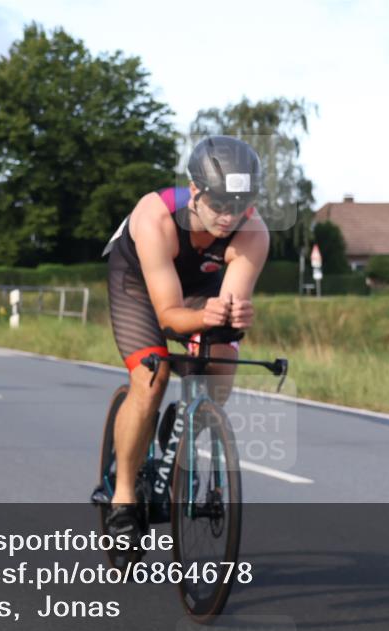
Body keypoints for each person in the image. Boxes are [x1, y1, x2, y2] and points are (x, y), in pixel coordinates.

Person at [102, 136, 270, 543]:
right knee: (151, 378)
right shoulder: (155, 216)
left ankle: (183, 423)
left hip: (198, 285)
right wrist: (201, 318)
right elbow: (169, 317)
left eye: (239, 207)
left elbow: (227, 309)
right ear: (194, 191)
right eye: (218, 206)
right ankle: (123, 500)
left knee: (221, 365)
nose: (229, 218)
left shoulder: (254, 232)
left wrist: (233, 316)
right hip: (140, 285)